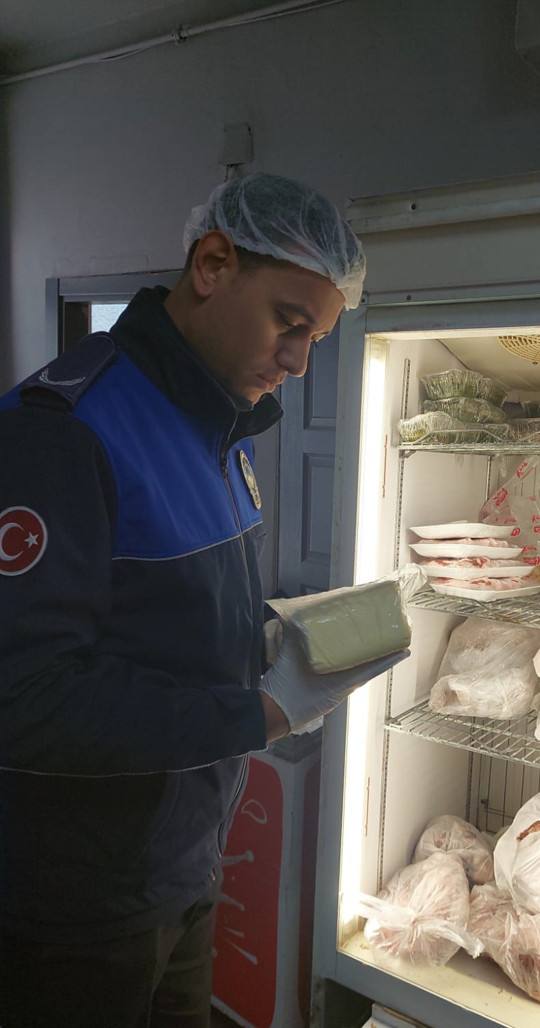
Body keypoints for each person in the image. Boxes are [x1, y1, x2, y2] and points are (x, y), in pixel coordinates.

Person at [0, 173, 407, 1028]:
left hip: (180, 864)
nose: (299, 361)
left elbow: (160, 617)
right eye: (290, 324)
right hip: (72, 902)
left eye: (317, 337)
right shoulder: (63, 432)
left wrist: (278, 638)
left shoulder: (218, 429)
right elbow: (21, 697)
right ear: (213, 265)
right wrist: (259, 714)